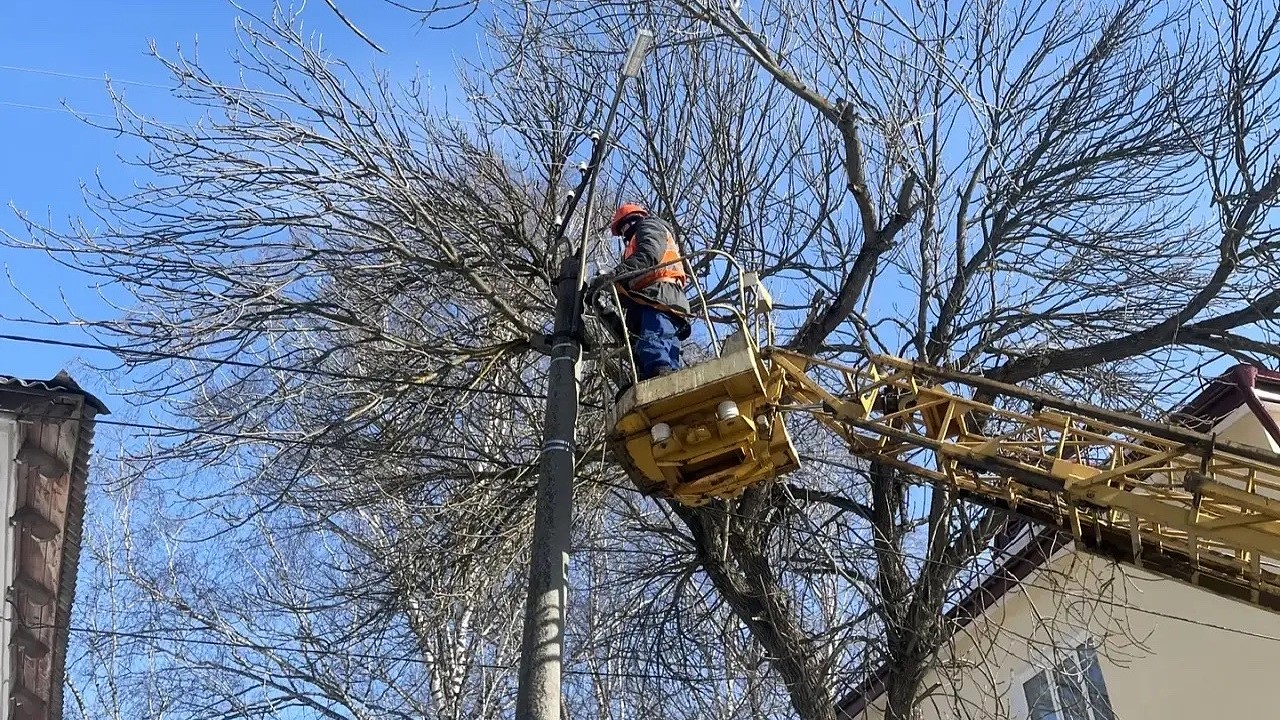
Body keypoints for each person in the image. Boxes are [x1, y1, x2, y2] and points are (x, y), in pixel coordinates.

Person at [591, 202, 692, 380]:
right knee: (650, 344)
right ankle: (658, 374)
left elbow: (648, 255)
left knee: (656, 338)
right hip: (647, 298)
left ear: (632, 220)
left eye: (623, 228)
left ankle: (659, 372)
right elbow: (632, 281)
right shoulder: (632, 245)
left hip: (659, 295)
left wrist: (614, 276)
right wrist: (606, 298)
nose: (623, 233)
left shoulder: (649, 227)